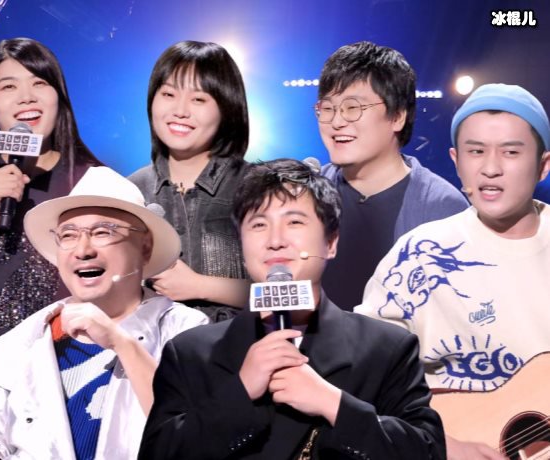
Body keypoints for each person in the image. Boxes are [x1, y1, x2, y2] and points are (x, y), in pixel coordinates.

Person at [139, 159, 445, 460]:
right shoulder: (191, 352)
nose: (275, 241)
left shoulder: (387, 347)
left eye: (294, 222)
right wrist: (240, 392)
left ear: (331, 242)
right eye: (259, 225)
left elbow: (426, 452)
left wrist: (334, 404)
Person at [0, 167, 208, 460]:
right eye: (68, 235)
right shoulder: (18, 344)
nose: (83, 250)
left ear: (145, 247)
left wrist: (121, 344)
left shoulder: (185, 331)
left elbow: (197, 435)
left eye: (103, 232)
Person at [356, 83, 550, 460]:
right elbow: (364, 378)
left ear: (543, 165)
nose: (490, 168)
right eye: (475, 151)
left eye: (511, 152)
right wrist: (445, 445)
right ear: (456, 160)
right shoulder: (418, 255)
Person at [0, 37, 102, 337]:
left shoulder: (92, 181)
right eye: (9, 86)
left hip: (64, 347)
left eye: (39, 83)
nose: (26, 97)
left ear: (59, 99)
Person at [316, 41, 468, 310]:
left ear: (397, 116)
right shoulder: (306, 195)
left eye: (353, 108)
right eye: (328, 109)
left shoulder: (442, 207)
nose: (337, 122)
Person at [129, 40, 250, 322]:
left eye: (198, 99)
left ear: (227, 108)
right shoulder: (131, 191)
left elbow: (293, 292)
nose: (180, 110)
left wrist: (200, 286)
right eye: (168, 94)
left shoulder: (257, 188)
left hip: (240, 346)